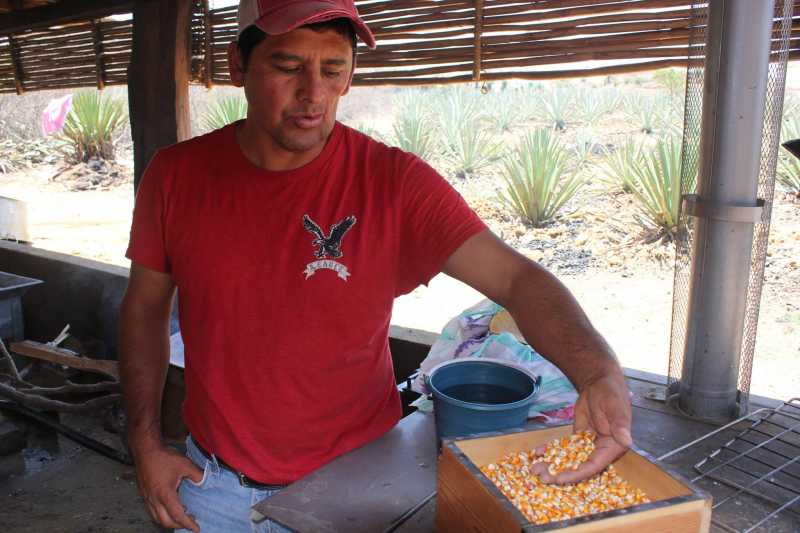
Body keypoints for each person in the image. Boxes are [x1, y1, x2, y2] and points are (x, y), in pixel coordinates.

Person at [119, 0, 633, 531]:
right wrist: (145, 444)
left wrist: (598, 373)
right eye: (288, 66)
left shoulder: (393, 183)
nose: (313, 94)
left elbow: (517, 279)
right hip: (215, 489)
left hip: (356, 490)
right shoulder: (177, 177)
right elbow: (144, 311)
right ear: (238, 66)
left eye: (333, 69)